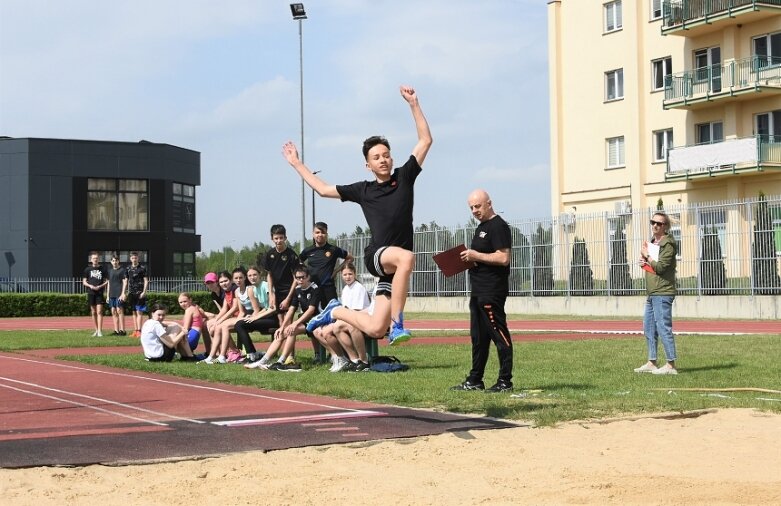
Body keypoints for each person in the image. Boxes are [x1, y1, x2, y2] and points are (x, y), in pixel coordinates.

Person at [283, 85, 432, 345]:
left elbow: (425, 141)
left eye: (386, 155)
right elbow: (322, 189)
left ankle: (334, 310)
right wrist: (297, 163)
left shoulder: (405, 177)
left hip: (393, 270)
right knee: (408, 257)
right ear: (368, 164)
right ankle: (398, 325)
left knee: (375, 328)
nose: (383, 160)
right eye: (377, 157)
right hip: (377, 255)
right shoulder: (363, 190)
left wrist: (413, 104)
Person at [451, 190, 514, 393]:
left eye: (477, 206)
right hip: (477, 291)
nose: (474, 210)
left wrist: (475, 255)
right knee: (478, 338)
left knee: (499, 334)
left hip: (491, 291)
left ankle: (505, 381)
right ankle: (475, 379)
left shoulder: (499, 226)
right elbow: (481, 257)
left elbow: (503, 258)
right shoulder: (481, 228)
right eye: (471, 207)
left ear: (489, 203)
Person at [247, 265, 321, 372]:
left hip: (317, 319)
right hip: (306, 320)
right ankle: (263, 361)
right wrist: (282, 326)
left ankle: (280, 362)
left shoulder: (315, 288)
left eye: (302, 277)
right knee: (282, 332)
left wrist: (295, 324)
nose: (300, 280)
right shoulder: (297, 289)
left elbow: (311, 311)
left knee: (292, 330)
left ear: (308, 277)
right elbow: (291, 309)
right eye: (298, 278)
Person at [635, 211, 679, 375]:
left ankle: (671, 365)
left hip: (663, 292)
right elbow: (653, 266)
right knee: (649, 327)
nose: (655, 225)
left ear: (665, 226)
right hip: (652, 292)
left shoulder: (668, 244)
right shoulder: (653, 242)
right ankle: (652, 362)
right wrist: (644, 262)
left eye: (659, 223)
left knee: (663, 328)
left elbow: (660, 267)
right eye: (653, 222)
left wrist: (648, 257)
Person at [203, 268, 253, 364]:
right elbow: (224, 309)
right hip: (236, 316)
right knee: (213, 325)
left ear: (230, 280)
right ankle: (212, 356)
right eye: (222, 282)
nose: (224, 283)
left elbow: (234, 308)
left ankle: (228, 353)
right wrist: (217, 320)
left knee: (221, 326)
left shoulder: (234, 289)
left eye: (226, 281)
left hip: (243, 315)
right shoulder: (225, 291)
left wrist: (220, 321)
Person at [299, 222, 352, 304]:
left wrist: (336, 271)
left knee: (332, 313)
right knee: (313, 314)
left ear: (326, 234)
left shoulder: (333, 249)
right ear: (313, 234)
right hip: (312, 288)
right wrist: (306, 272)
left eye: (323, 232)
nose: (320, 235)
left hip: (328, 288)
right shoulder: (308, 250)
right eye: (317, 232)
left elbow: (350, 258)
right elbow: (299, 262)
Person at [234, 266, 278, 363]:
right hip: (267, 317)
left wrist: (256, 317)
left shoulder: (265, 285)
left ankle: (252, 355)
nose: (252, 277)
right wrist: (253, 316)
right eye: (249, 275)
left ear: (259, 275)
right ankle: (252, 353)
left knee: (240, 324)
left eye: (254, 275)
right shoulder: (254, 288)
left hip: (275, 319)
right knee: (240, 324)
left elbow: (273, 308)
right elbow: (265, 308)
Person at [261, 224, 300, 328]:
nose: (279, 241)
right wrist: (271, 294)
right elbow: (269, 275)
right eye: (276, 238)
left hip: (290, 292)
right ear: (272, 238)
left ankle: (290, 344)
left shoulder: (291, 255)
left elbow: (296, 278)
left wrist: (288, 298)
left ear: (285, 238)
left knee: (288, 325)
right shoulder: (269, 254)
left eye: (281, 238)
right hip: (278, 292)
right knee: (281, 324)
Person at [82, 251, 108, 337]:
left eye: (96, 258)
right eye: (93, 258)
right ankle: (96, 330)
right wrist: (90, 286)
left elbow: (107, 281)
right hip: (91, 292)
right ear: (91, 259)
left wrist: (100, 286)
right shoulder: (87, 269)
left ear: (98, 259)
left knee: (99, 311)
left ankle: (100, 331)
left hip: (99, 293)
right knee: (93, 312)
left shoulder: (103, 269)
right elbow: (84, 282)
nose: (95, 260)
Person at [125, 251, 149, 338]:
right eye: (132, 258)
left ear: (138, 258)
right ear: (130, 259)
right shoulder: (128, 268)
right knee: (134, 312)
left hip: (140, 293)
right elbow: (126, 281)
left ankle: (139, 330)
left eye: (135, 258)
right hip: (131, 293)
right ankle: (135, 331)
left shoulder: (142, 268)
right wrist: (125, 292)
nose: (134, 259)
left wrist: (144, 292)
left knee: (139, 312)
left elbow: (146, 280)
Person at [107, 254, 127, 336]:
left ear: (118, 261)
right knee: (113, 311)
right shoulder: (110, 271)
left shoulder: (122, 270)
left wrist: (123, 293)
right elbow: (108, 283)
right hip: (112, 294)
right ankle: (116, 330)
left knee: (119, 311)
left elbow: (125, 282)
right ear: (111, 262)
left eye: (116, 260)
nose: (115, 262)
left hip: (119, 293)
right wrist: (107, 296)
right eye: (113, 261)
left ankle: (123, 330)